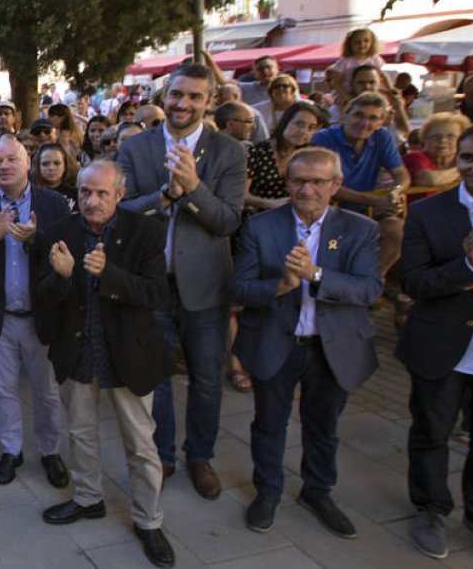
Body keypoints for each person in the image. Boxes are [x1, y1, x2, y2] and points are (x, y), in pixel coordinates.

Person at [231, 146, 383, 540]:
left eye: (318, 181)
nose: (307, 190)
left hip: (331, 347)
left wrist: (316, 274)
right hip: (275, 342)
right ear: (287, 182)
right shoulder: (261, 227)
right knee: (268, 424)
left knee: (323, 426)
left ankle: (318, 492)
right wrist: (279, 285)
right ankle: (267, 492)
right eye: (298, 180)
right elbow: (240, 287)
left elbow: (369, 289)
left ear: (336, 185)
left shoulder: (359, 229)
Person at [35, 161, 176, 568]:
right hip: (78, 352)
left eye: (101, 193)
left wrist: (109, 274)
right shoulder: (60, 232)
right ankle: (87, 498)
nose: (91, 201)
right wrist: (62, 278)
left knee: (141, 444)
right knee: (80, 433)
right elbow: (41, 295)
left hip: (128, 354)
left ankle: (148, 520)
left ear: (120, 195)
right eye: (84, 192)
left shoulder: (145, 232)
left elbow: (155, 295)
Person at [117, 63, 247, 500]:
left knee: (208, 377)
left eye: (194, 96)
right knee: (157, 376)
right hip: (152, 284)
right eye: (176, 94)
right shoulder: (138, 148)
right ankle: (163, 455)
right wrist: (164, 196)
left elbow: (228, 221)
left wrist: (192, 189)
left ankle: (200, 456)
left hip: (206, 286)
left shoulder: (229, 152)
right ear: (164, 96)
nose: (183, 104)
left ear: (209, 101)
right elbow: (123, 211)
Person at [397, 120, 473, 562]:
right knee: (432, 433)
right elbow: (412, 281)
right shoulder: (428, 213)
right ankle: (431, 508)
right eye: (468, 157)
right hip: (443, 345)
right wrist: (467, 268)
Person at [0, 134, 71, 487]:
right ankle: (12, 450)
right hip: (0, 316)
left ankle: (51, 451)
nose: (4, 166)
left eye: (11, 159)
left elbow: (67, 252)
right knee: (3, 389)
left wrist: (36, 239)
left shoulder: (53, 204)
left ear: (27, 163)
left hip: (41, 316)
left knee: (47, 391)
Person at [311, 91, 410, 277]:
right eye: (358, 115)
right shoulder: (323, 138)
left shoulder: (381, 136)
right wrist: (373, 201)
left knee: (397, 230)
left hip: (366, 212)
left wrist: (395, 193)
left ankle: (371, 282)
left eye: (373, 118)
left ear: (381, 122)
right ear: (345, 115)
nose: (364, 123)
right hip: (327, 212)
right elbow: (324, 185)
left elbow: (401, 174)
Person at [245, 102, 329, 213]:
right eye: (299, 124)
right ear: (285, 122)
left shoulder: (310, 154)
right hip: (260, 214)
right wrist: (269, 204)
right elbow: (241, 194)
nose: (304, 132)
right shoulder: (256, 152)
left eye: (311, 128)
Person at [403, 112, 468, 190]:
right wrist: (462, 170)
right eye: (436, 137)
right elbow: (429, 180)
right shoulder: (414, 157)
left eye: (450, 136)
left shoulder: (465, 159)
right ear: (424, 139)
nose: (443, 140)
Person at [326, 27, 386, 98]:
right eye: (357, 42)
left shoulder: (375, 59)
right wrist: (345, 96)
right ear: (350, 44)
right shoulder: (345, 62)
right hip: (347, 93)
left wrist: (390, 88)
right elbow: (336, 82)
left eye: (366, 41)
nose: (362, 44)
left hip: (369, 91)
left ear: (372, 42)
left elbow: (383, 75)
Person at [32, 142, 79, 210]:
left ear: (65, 166)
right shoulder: (30, 194)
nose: (51, 168)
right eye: (45, 164)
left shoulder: (76, 194)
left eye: (57, 163)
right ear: (38, 167)